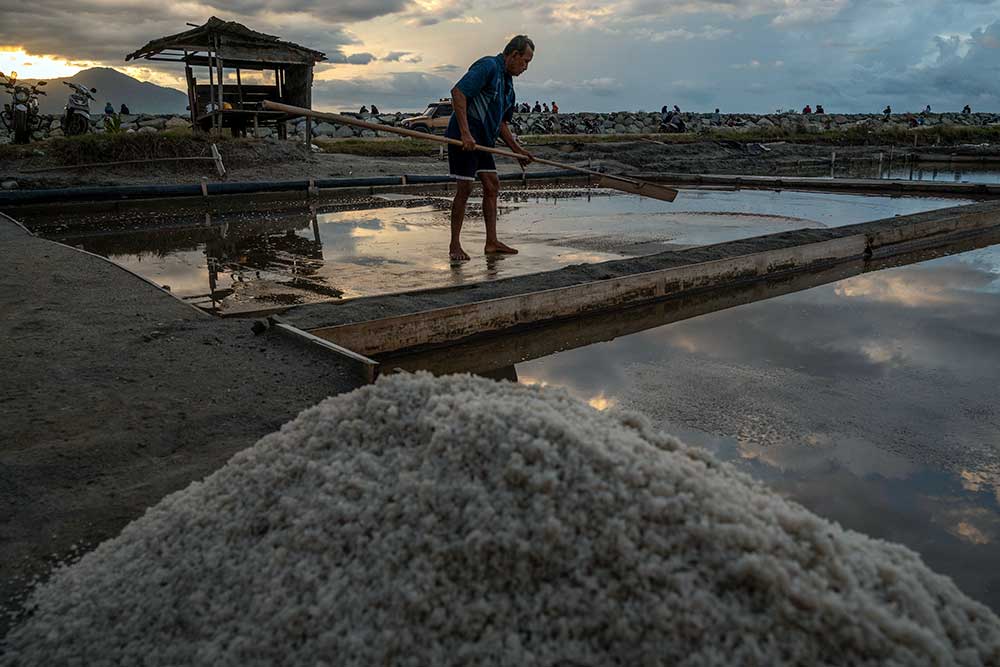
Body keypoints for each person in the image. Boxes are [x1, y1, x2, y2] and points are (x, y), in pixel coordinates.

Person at [446, 35, 535, 261]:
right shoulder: (488, 66)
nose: (525, 67)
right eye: (525, 61)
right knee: (465, 189)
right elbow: (459, 92)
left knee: (492, 185)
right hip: (464, 139)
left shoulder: (508, 86)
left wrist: (517, 150)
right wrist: (465, 133)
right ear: (513, 55)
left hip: (483, 142)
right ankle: (454, 245)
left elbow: (501, 123)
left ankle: (491, 242)